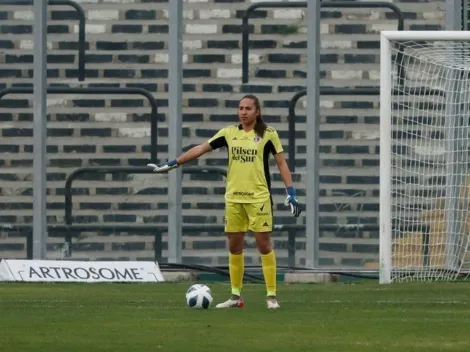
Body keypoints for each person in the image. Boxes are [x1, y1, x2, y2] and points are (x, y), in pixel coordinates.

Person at [147, 94, 301, 309]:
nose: (243, 112)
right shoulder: (229, 133)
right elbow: (200, 149)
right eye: (240, 108)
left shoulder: (268, 134)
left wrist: (291, 192)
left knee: (264, 246)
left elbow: (281, 163)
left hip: (259, 198)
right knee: (234, 247)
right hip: (234, 198)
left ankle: (272, 296)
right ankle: (235, 297)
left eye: (248, 108)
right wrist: (173, 164)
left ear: (257, 112)